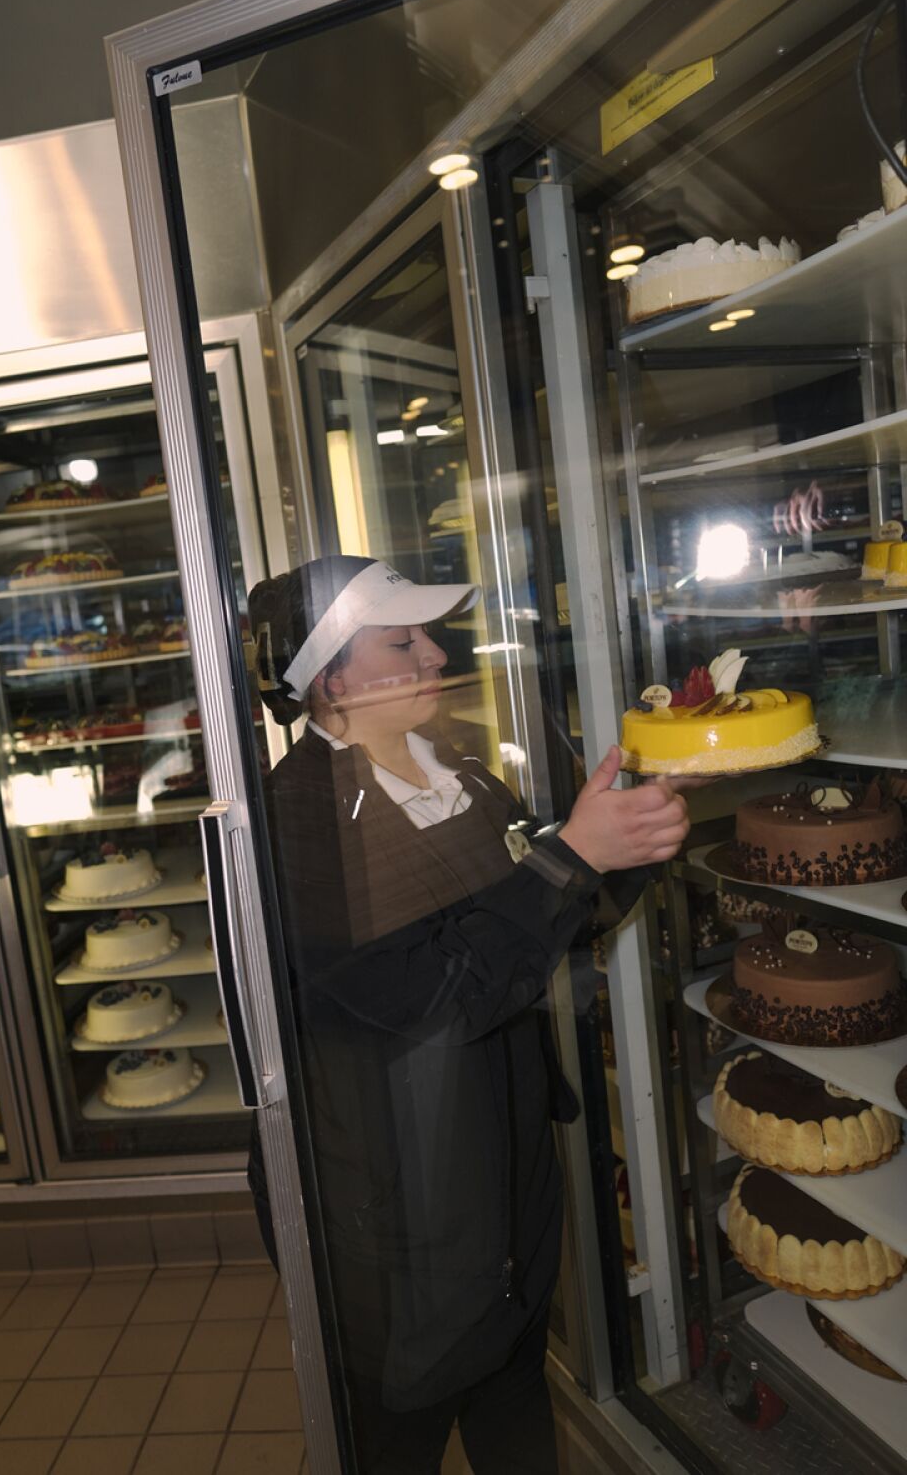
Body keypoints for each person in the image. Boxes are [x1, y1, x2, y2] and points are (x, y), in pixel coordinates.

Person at [242, 555, 693, 1474]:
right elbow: (433, 997)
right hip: (395, 1202)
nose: (437, 651)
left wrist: (624, 846)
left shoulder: (467, 778)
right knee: (401, 1424)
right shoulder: (292, 823)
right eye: (401, 640)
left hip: (508, 1169)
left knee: (515, 1403)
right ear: (328, 678)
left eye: (429, 633)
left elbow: (545, 939)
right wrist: (571, 859)